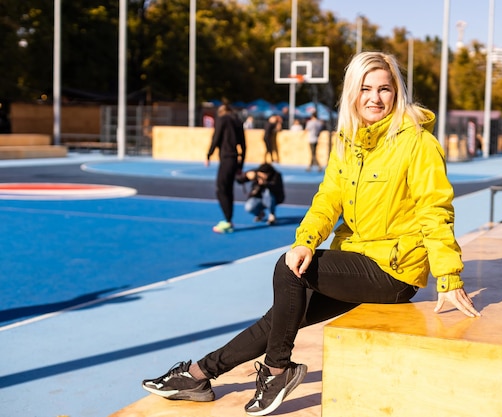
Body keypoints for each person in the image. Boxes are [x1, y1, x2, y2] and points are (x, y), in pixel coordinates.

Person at [142, 51, 480, 416]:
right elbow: (327, 201)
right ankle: (199, 375)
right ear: (353, 92)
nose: (375, 97)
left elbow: (435, 209)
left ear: (397, 94)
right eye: (366, 88)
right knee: (282, 315)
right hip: (356, 260)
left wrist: (448, 276)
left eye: (385, 89)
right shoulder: (348, 142)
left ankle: (277, 370)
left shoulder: (417, 143)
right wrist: (305, 241)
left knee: (287, 272)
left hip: (394, 271)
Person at [206, 104, 246, 234]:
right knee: (228, 190)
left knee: (221, 189)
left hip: (226, 158)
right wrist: (240, 165)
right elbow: (244, 146)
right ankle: (228, 219)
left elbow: (216, 138)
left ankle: (228, 221)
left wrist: (208, 154)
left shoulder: (223, 119)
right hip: (234, 160)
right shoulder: (238, 121)